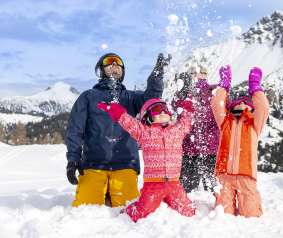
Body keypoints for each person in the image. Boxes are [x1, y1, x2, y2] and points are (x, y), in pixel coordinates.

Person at [66, 52, 170, 207]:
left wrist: (156, 76)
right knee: (86, 210)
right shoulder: (88, 97)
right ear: (101, 70)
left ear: (123, 71)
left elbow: (151, 99)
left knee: (127, 209)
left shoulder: (131, 97)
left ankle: (110, 192)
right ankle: (104, 191)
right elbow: (75, 129)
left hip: (125, 164)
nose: (114, 65)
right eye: (109, 62)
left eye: (118, 63)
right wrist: (73, 159)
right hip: (93, 164)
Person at [98, 98, 197, 222]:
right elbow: (130, 124)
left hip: (174, 183)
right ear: (147, 117)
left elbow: (186, 122)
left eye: (165, 109)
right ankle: (127, 211)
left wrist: (187, 107)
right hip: (153, 184)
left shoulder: (177, 131)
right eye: (156, 110)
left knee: (188, 210)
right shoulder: (144, 133)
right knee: (143, 210)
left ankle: (168, 200)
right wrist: (116, 111)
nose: (162, 113)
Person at [211, 65, 269, 217]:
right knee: (222, 214)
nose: (241, 105)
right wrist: (224, 85)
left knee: (251, 214)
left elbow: (263, 107)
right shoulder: (225, 122)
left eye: (246, 104)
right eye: (237, 103)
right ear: (230, 107)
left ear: (251, 108)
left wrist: (255, 88)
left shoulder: (254, 124)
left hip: (246, 175)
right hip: (224, 175)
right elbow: (217, 104)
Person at [179, 66, 220, 193]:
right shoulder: (213, 92)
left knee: (191, 190)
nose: (198, 75)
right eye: (195, 73)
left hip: (199, 149)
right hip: (200, 149)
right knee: (212, 191)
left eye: (201, 73)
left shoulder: (213, 91)